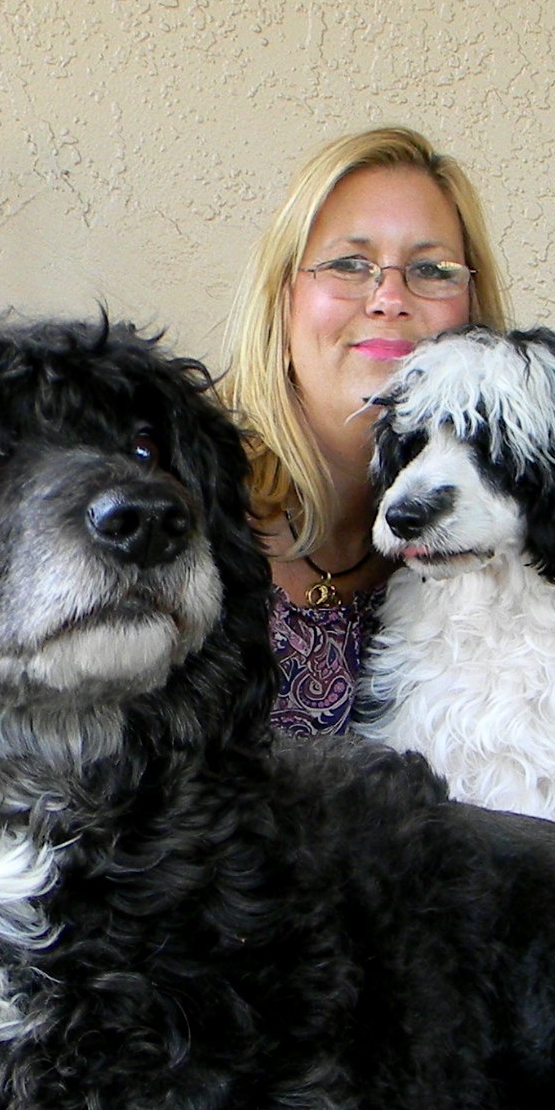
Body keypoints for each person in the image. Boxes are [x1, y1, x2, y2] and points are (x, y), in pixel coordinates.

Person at [222, 128, 511, 735]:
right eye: (349, 264)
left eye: (432, 269)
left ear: (474, 308)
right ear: (283, 299)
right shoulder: (186, 502)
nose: (389, 297)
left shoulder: (510, 548)